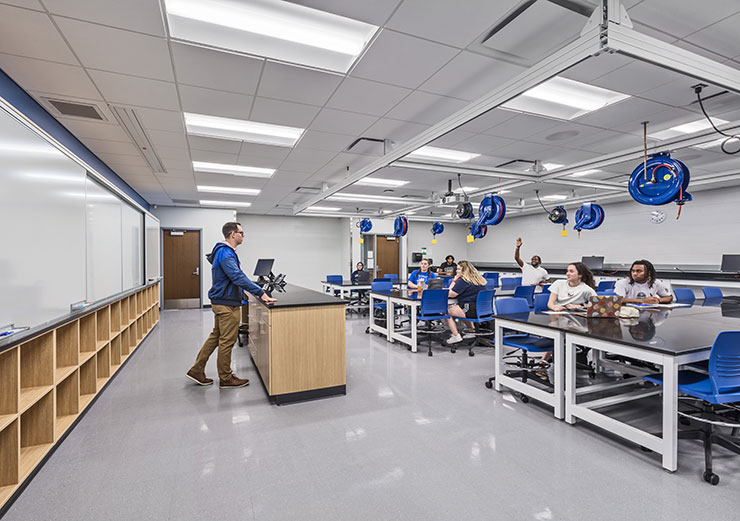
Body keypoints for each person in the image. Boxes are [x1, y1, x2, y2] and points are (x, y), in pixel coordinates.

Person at [186, 222, 276, 388]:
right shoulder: (226, 253)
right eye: (241, 233)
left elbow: (235, 277)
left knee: (216, 337)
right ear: (233, 234)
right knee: (227, 341)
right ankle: (226, 378)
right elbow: (237, 277)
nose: (243, 236)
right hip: (227, 304)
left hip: (222, 301)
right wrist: (260, 292)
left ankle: (197, 370)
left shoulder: (224, 252)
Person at [445, 261, 488, 344]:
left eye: (458, 269)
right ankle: (471, 330)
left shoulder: (463, 281)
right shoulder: (480, 280)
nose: (456, 271)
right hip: (483, 310)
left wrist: (454, 280)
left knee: (445, 311)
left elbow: (450, 294)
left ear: (464, 271)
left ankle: (456, 336)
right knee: (460, 310)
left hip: (471, 309)